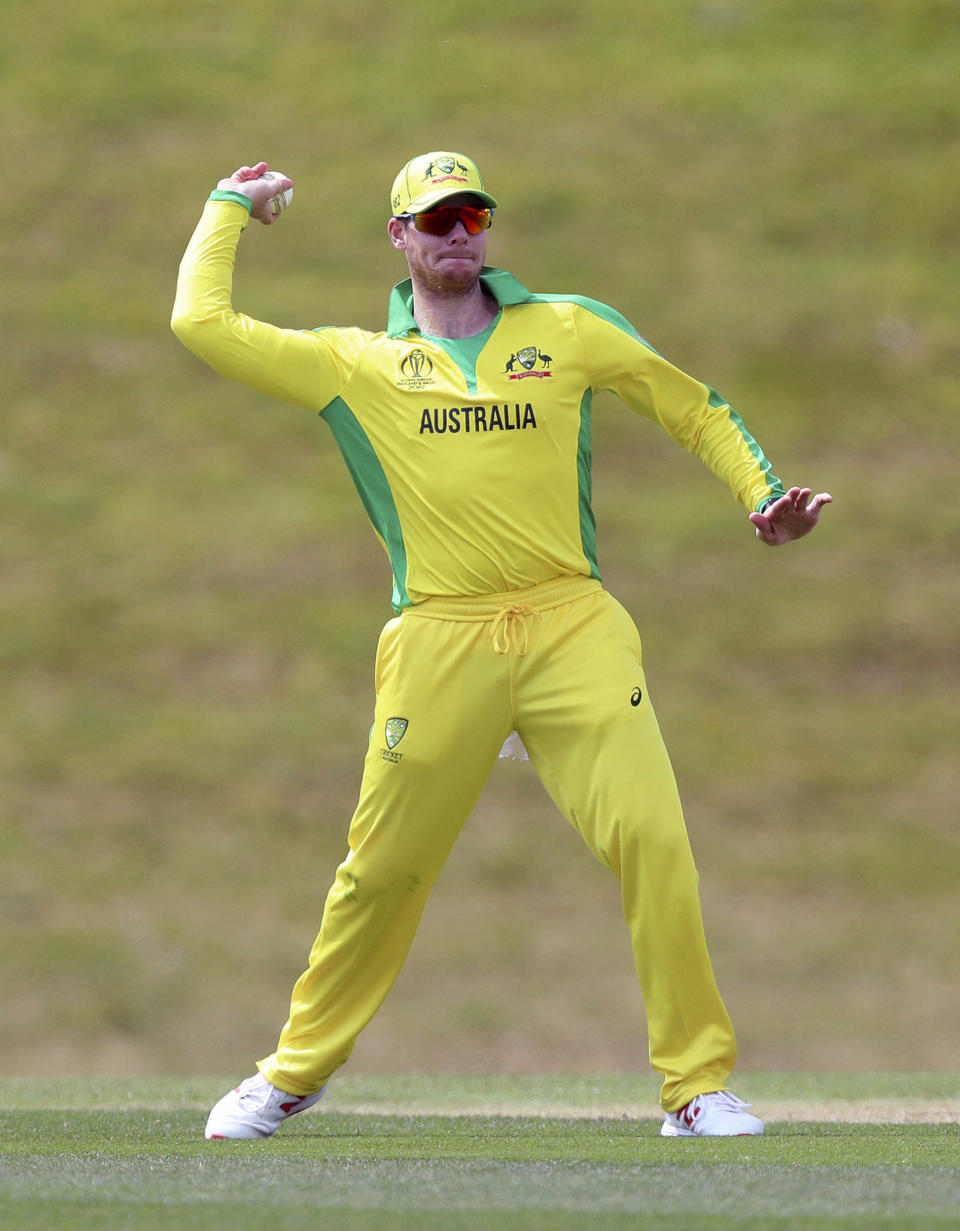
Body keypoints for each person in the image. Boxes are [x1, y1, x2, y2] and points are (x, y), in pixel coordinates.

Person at [171, 150, 832, 1141]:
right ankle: (292, 1072)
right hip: (441, 640)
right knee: (380, 870)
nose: (456, 235)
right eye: (434, 221)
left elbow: (688, 402)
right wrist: (229, 206)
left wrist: (760, 496)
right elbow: (201, 324)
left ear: (489, 229)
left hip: (572, 625)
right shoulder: (357, 361)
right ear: (399, 237)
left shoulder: (565, 328)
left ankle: (697, 1088)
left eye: (471, 217)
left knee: (654, 842)